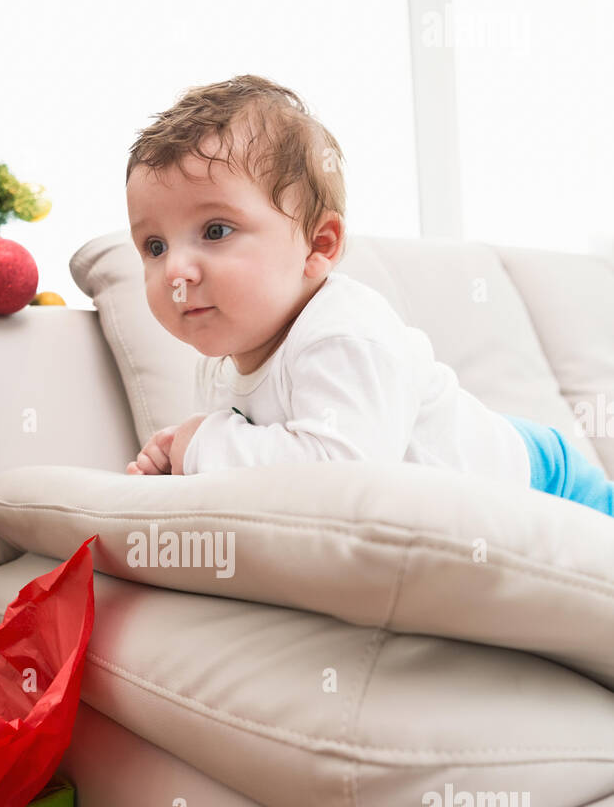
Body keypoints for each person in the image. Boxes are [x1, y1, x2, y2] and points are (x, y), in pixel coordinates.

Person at [123, 74, 614, 517]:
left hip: (547, 483)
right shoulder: (218, 367)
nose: (175, 271)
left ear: (318, 246)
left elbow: (345, 475)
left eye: (215, 230)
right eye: (155, 246)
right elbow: (260, 488)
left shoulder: (342, 332)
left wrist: (201, 446)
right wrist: (176, 469)